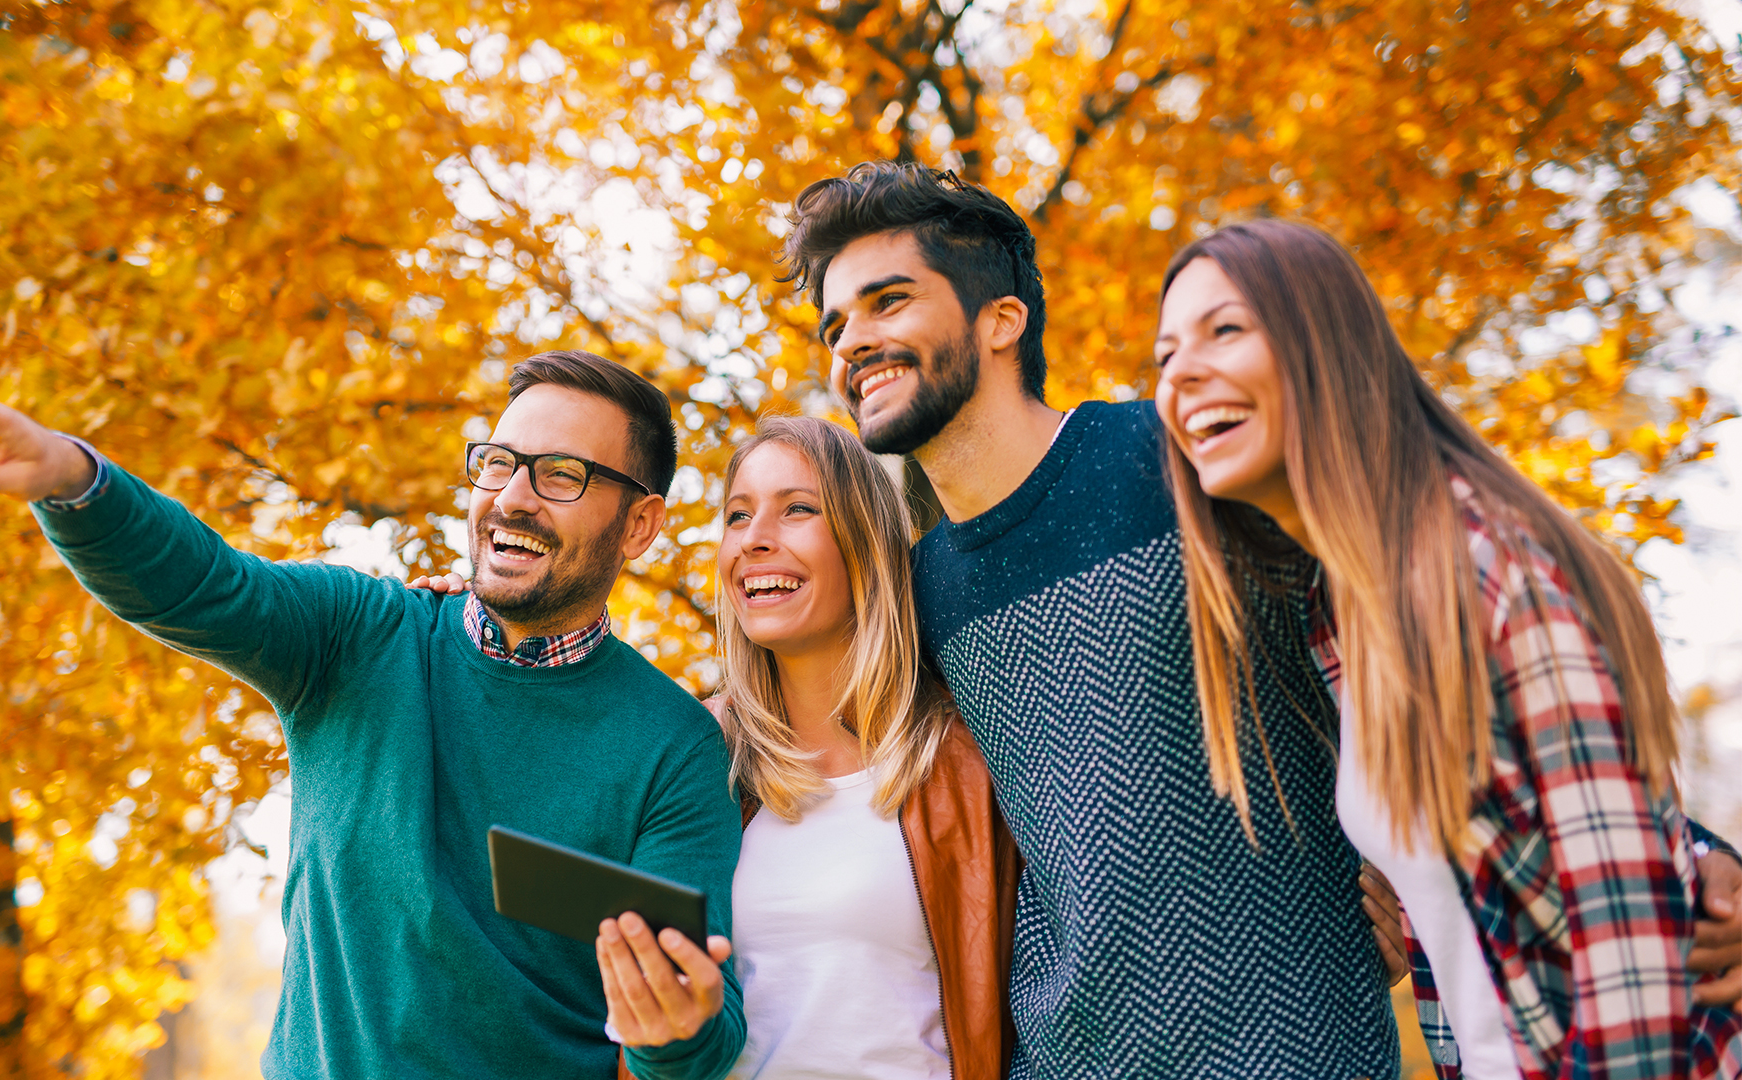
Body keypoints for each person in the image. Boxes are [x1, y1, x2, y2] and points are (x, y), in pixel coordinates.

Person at [779, 161, 1742, 1078]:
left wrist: (1697, 860)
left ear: (1001, 320)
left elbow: (1462, 656)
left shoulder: (1186, 461)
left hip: (1301, 1046)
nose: (851, 341)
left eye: (888, 300)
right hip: (1067, 1057)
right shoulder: (923, 587)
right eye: (832, 326)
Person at [0, 351, 747, 1080]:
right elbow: (202, 582)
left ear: (639, 525)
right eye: (497, 462)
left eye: (561, 475)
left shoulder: (671, 746)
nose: (514, 497)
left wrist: (675, 1033)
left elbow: (705, 1029)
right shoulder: (359, 638)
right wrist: (73, 481)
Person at [1152, 218, 1742, 1079]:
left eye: (1225, 329)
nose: (1182, 374)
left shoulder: (1486, 566)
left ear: (1328, 346)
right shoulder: (1337, 608)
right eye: (1165, 355)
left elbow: (1628, 970)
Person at [598, 415, 1021, 1080]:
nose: (755, 541)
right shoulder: (699, 756)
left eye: (798, 509)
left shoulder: (965, 756)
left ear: (865, 543)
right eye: (738, 517)